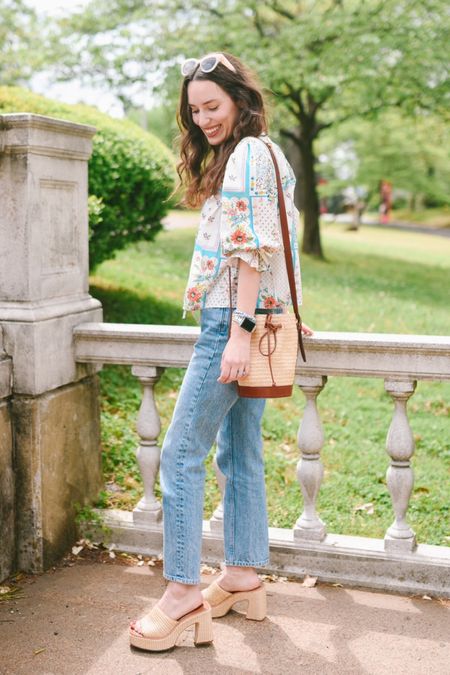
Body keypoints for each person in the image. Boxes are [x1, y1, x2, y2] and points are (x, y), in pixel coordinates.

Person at [129, 51, 314, 652]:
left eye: (213, 105)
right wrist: (279, 314)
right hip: (256, 319)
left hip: (231, 325)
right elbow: (279, 239)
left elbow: (248, 249)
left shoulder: (249, 154)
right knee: (239, 452)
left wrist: (236, 332)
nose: (204, 119)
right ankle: (241, 575)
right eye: (195, 110)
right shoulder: (266, 154)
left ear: (238, 98)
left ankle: (182, 596)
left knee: (181, 453)